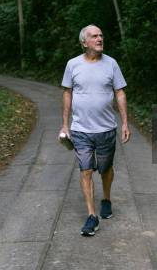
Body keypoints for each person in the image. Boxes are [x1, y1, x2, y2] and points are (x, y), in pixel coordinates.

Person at [60, 24, 130, 236]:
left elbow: (120, 93)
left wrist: (125, 122)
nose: (100, 39)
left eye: (101, 35)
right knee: (86, 170)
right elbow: (67, 93)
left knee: (106, 168)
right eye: (94, 36)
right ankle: (92, 216)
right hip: (81, 130)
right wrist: (65, 124)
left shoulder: (111, 64)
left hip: (107, 129)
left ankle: (106, 199)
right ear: (84, 42)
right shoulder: (73, 65)